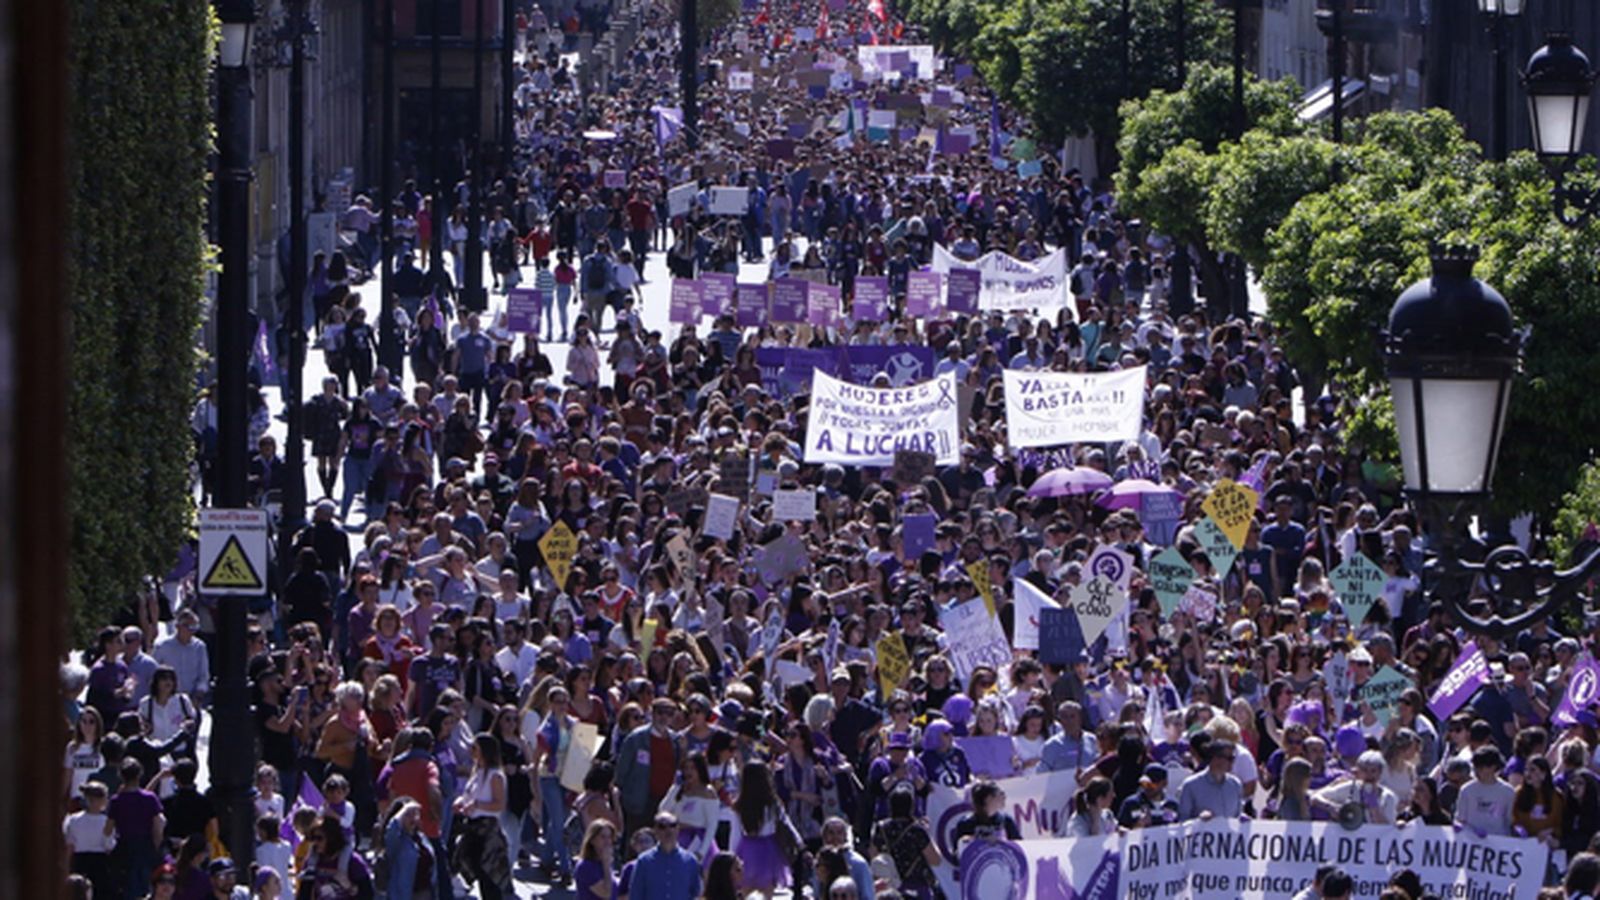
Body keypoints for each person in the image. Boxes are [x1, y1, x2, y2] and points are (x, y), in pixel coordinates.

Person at [451, 733, 514, 899]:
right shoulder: (477, 772)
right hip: (472, 826)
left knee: (489, 874)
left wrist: (478, 805)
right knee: (472, 865)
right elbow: (469, 795)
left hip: (487, 828)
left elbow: (499, 804)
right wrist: (460, 802)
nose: (472, 752)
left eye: (475, 749)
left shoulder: (495, 775)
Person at [729, 760, 792, 893]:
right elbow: (781, 823)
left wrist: (732, 856)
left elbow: (735, 834)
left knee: (745, 888)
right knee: (768, 889)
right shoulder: (773, 803)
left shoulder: (738, 806)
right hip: (769, 848)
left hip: (746, 848)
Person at [626, 812, 703, 900]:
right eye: (662, 826)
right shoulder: (644, 861)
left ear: (678, 829)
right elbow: (635, 895)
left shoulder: (690, 861)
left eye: (672, 825)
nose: (668, 830)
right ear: (655, 831)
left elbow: (696, 894)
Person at [1454, 746, 1515, 837]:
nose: (1477, 772)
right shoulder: (1467, 790)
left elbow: (1510, 820)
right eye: (1475, 768)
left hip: (1499, 843)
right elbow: (1460, 819)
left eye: (1481, 768)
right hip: (1472, 842)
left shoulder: (1507, 791)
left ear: (1493, 767)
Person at [1177, 740, 1244, 821]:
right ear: (1216, 759)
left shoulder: (1236, 784)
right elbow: (1182, 819)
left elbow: (1238, 815)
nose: (1233, 762)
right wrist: (1199, 820)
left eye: (1233, 758)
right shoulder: (1190, 785)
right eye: (1229, 758)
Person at [574, 818, 620, 900]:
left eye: (610, 837)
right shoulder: (585, 866)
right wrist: (606, 864)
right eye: (603, 837)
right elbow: (606, 893)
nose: (607, 841)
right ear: (592, 840)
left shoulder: (603, 861)